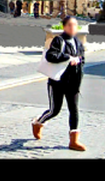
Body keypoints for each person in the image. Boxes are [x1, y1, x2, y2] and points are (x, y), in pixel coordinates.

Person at [31, 16, 87, 152]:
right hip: (58, 81)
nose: (73, 28)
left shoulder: (77, 42)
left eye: (75, 25)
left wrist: (78, 61)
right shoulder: (59, 40)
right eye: (70, 25)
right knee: (54, 110)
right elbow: (51, 56)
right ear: (64, 27)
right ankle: (38, 122)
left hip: (73, 82)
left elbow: (82, 58)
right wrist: (68, 58)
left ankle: (74, 140)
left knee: (74, 109)